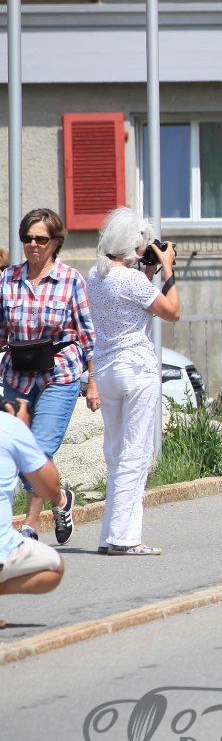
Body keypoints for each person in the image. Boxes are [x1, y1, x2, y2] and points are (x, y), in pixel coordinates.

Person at [85, 208, 180, 556]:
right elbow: (172, 312)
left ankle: (110, 535)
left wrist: (149, 272)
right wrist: (167, 268)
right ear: (132, 244)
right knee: (135, 453)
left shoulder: (95, 275)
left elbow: (131, 303)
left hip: (107, 369)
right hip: (136, 369)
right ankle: (126, 539)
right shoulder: (131, 280)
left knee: (115, 453)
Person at [1, 207, 94, 546]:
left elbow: (88, 334)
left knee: (38, 450)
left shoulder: (71, 279)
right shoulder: (7, 279)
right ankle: (61, 499)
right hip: (17, 375)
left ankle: (28, 525)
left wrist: (94, 381)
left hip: (59, 373)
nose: (33, 245)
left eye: (40, 239)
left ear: (55, 242)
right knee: (17, 450)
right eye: (27, 239)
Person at [0, 399, 68, 622]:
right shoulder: (9, 426)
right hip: (3, 551)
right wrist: (22, 431)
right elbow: (50, 489)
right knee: (54, 567)